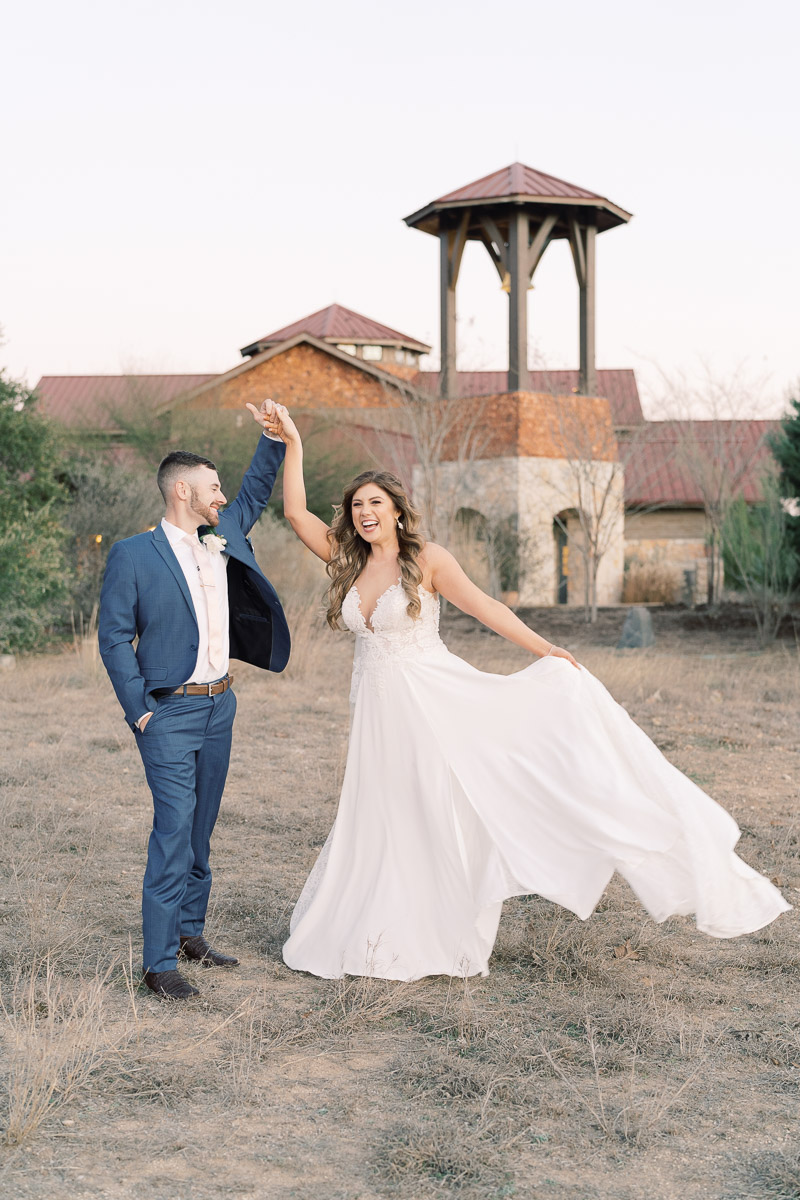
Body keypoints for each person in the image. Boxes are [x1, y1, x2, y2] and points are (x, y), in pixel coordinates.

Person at [261, 401, 789, 983]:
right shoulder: (347, 560)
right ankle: (374, 925)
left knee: (430, 810)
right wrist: (294, 444)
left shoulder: (428, 560)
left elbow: (487, 607)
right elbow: (292, 511)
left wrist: (545, 650)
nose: (365, 513)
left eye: (375, 504)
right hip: (377, 717)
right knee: (380, 813)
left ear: (397, 512)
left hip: (434, 704)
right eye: (357, 506)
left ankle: (437, 923)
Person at [98, 401, 290, 1000]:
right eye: (212, 487)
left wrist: (273, 440)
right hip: (169, 712)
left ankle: (190, 934)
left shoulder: (222, 535)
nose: (221, 496)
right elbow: (112, 637)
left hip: (220, 707)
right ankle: (158, 965)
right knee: (174, 829)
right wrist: (141, 710)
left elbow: (257, 491)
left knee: (202, 828)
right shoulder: (133, 554)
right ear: (182, 490)